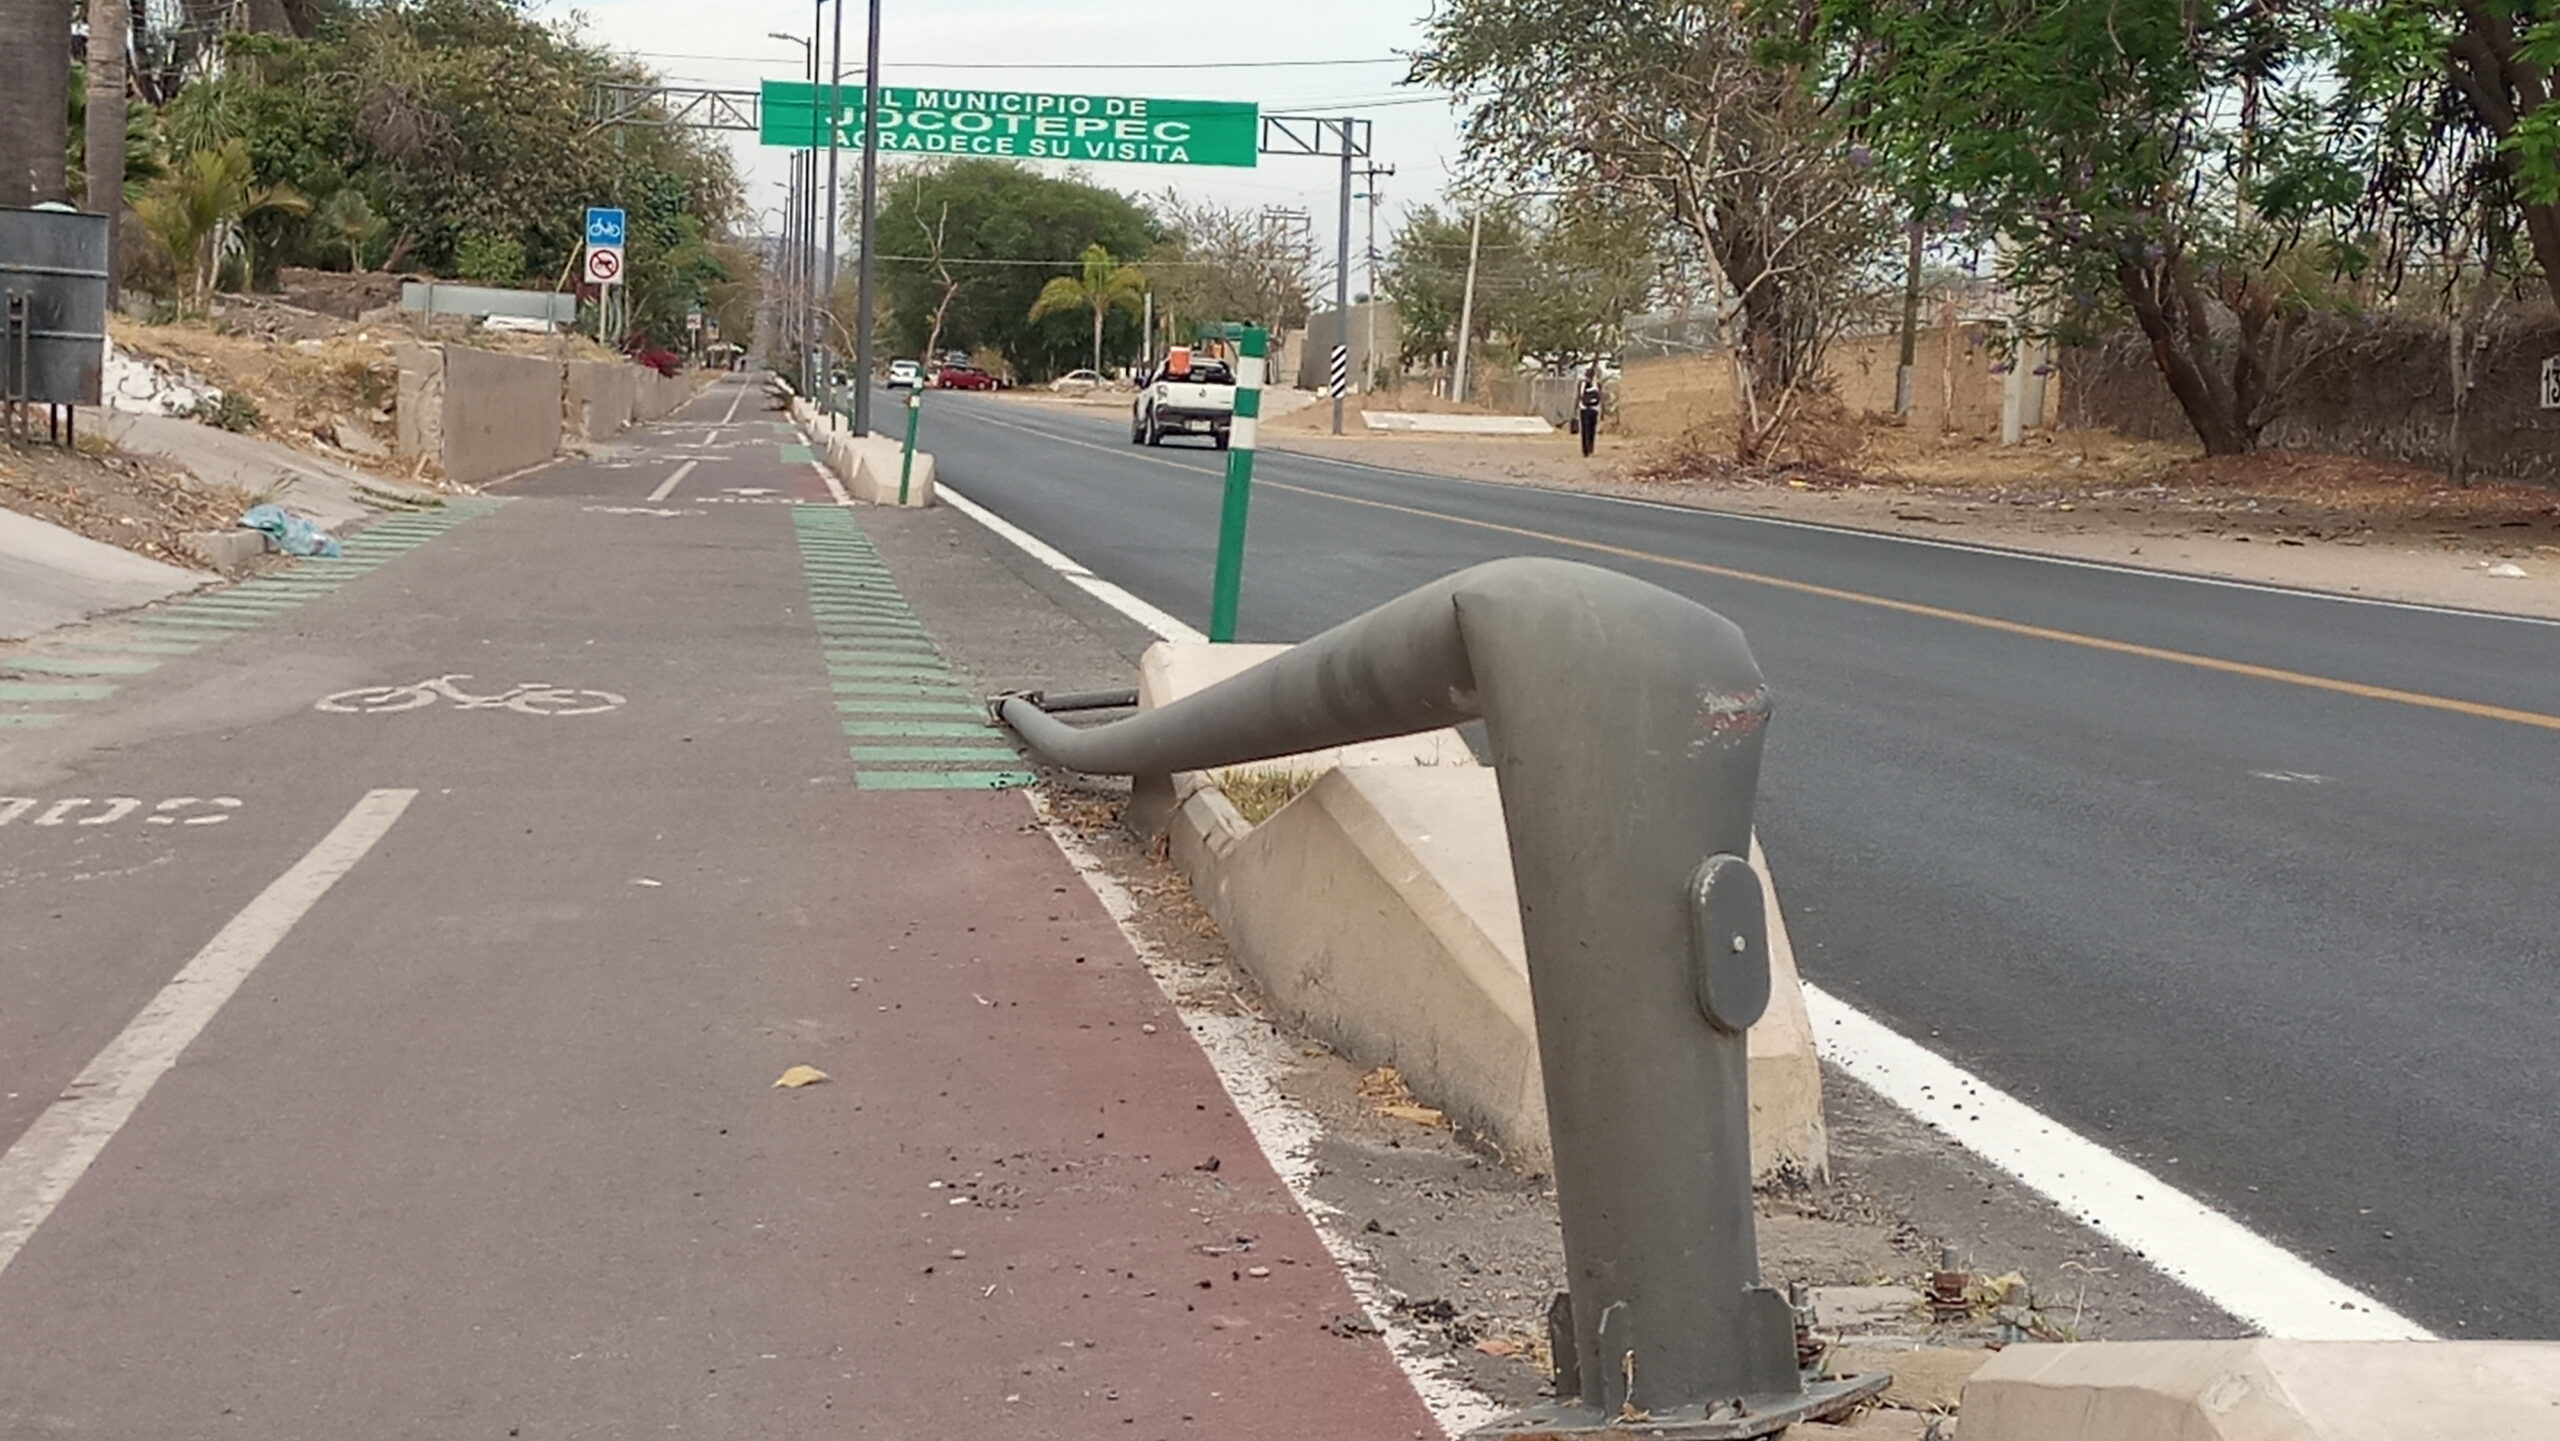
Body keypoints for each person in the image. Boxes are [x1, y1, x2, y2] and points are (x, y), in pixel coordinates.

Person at [1575, 362, 1605, 458]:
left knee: (1587, 430)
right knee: (1589, 430)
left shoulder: (1584, 383)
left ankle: (1587, 449)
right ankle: (1588, 449)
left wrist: (1575, 408)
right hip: (1591, 409)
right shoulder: (1594, 384)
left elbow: (1579, 396)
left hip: (1587, 409)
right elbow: (1600, 398)